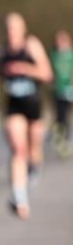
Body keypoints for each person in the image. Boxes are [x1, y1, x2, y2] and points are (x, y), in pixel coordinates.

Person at [0, 13, 52, 218]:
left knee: (33, 151)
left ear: (23, 29)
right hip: (14, 106)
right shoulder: (1, 51)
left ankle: (34, 168)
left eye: (15, 28)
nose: (11, 32)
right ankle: (19, 198)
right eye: (8, 28)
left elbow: (47, 73)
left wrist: (25, 68)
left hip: (34, 105)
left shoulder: (31, 44)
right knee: (19, 150)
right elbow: (0, 74)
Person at [50, 29, 73, 157]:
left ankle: (66, 140)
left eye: (62, 40)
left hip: (70, 91)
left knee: (66, 118)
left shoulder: (71, 55)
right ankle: (61, 141)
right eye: (58, 40)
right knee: (60, 117)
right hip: (58, 91)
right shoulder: (53, 55)